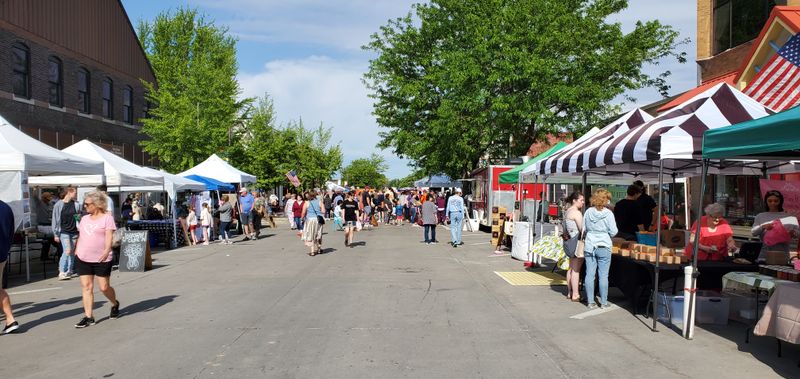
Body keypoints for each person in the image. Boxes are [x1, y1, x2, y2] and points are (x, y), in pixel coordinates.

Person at [73, 191, 120, 328]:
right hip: (83, 257)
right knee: (86, 287)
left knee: (104, 287)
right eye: (84, 204)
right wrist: (77, 250)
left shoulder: (107, 218)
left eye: (87, 204)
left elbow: (109, 236)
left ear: (97, 204)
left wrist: (107, 250)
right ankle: (89, 317)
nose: (85, 206)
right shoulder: (84, 219)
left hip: (101, 258)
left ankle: (114, 303)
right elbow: (81, 235)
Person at [583, 188, 618, 309]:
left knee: (590, 274)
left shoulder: (588, 212)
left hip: (590, 245)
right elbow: (614, 231)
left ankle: (590, 302)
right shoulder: (609, 214)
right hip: (604, 245)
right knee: (603, 276)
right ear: (605, 200)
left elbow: (584, 228)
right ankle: (603, 302)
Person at [751, 190, 799, 261]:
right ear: (766, 202)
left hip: (782, 255)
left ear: (780, 201)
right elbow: (753, 232)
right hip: (764, 254)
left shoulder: (790, 217)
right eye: (770, 201)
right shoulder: (760, 216)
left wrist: (794, 233)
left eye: (776, 201)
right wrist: (763, 227)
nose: (773, 203)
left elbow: (798, 234)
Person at [53, 186, 81, 280]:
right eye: (75, 192)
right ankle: (62, 271)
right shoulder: (58, 205)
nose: (76, 194)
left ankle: (69, 270)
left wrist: (79, 223)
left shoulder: (76, 204)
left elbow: (77, 216)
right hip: (64, 231)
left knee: (72, 252)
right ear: (69, 193)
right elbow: (55, 219)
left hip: (74, 231)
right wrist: (55, 234)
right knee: (67, 251)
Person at [0, 199, 19, 334]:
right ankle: (10, 319)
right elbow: (11, 232)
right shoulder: (6, 207)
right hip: (2, 253)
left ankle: (10, 320)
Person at [563, 192, 585, 302]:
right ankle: (575, 294)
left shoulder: (567, 211)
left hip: (569, 242)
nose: (583, 202)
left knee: (570, 268)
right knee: (576, 270)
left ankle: (569, 292)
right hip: (576, 243)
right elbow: (582, 229)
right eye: (581, 200)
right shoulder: (576, 213)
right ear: (574, 200)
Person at [302, 192, 325, 256]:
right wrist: (318, 211)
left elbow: (303, 212)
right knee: (318, 234)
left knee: (311, 235)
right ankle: (319, 249)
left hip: (310, 220)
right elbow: (323, 211)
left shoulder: (307, 203)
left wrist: (302, 218)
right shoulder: (319, 202)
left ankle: (312, 251)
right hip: (318, 220)